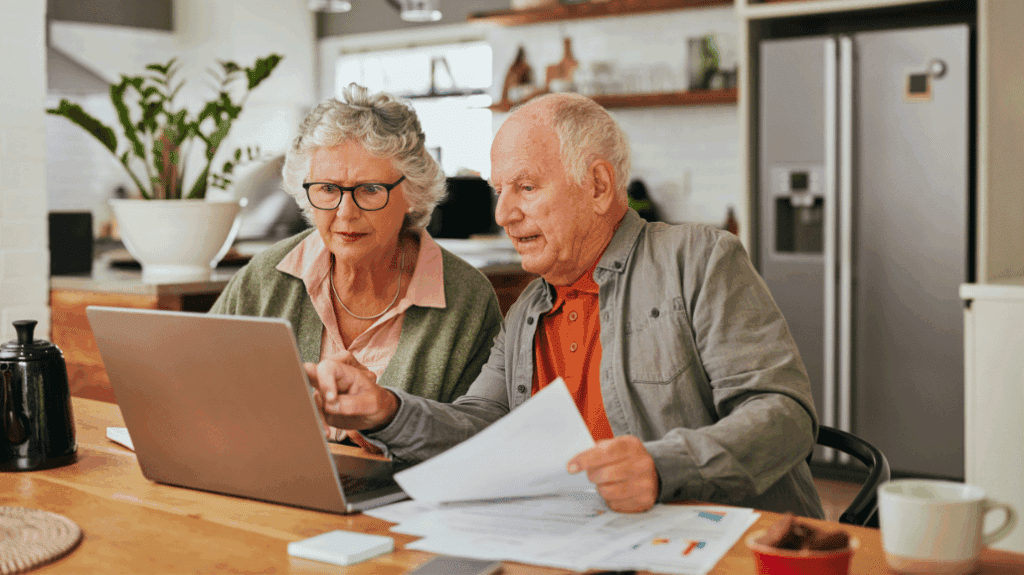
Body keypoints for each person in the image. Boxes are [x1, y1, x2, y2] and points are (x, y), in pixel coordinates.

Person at [307, 92, 825, 518]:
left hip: (731, 545)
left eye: (526, 187)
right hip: (585, 541)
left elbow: (783, 416)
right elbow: (480, 429)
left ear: (598, 186)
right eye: (499, 190)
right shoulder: (528, 308)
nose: (505, 213)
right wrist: (385, 411)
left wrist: (664, 466)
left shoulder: (698, 260)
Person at [210, 84, 503, 446]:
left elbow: (478, 438)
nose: (345, 214)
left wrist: (386, 417)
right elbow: (198, 384)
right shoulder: (265, 277)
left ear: (412, 193)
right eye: (328, 190)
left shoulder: (466, 299)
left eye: (369, 190)